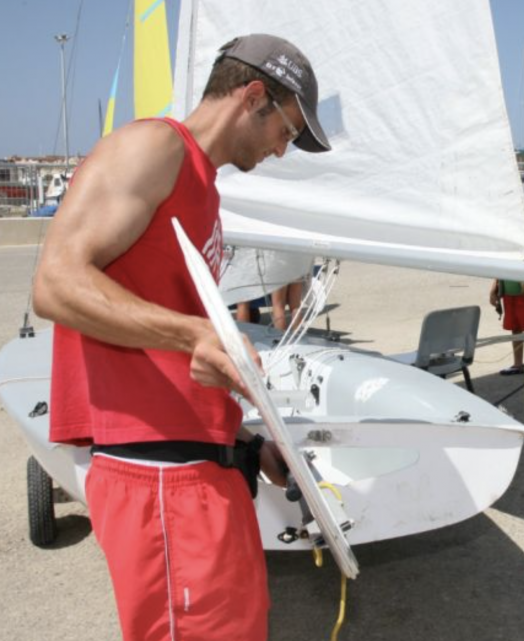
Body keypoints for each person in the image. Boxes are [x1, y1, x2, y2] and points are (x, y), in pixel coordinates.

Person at [32, 33, 332, 641]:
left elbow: (170, 344)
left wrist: (244, 439)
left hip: (198, 468)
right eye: (289, 131)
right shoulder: (154, 147)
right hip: (160, 477)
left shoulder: (204, 188)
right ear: (254, 97)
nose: (284, 150)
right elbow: (55, 283)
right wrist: (193, 329)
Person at [489, 275, 524, 382]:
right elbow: (499, 270)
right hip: (509, 296)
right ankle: (518, 365)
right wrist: (493, 289)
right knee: (515, 328)